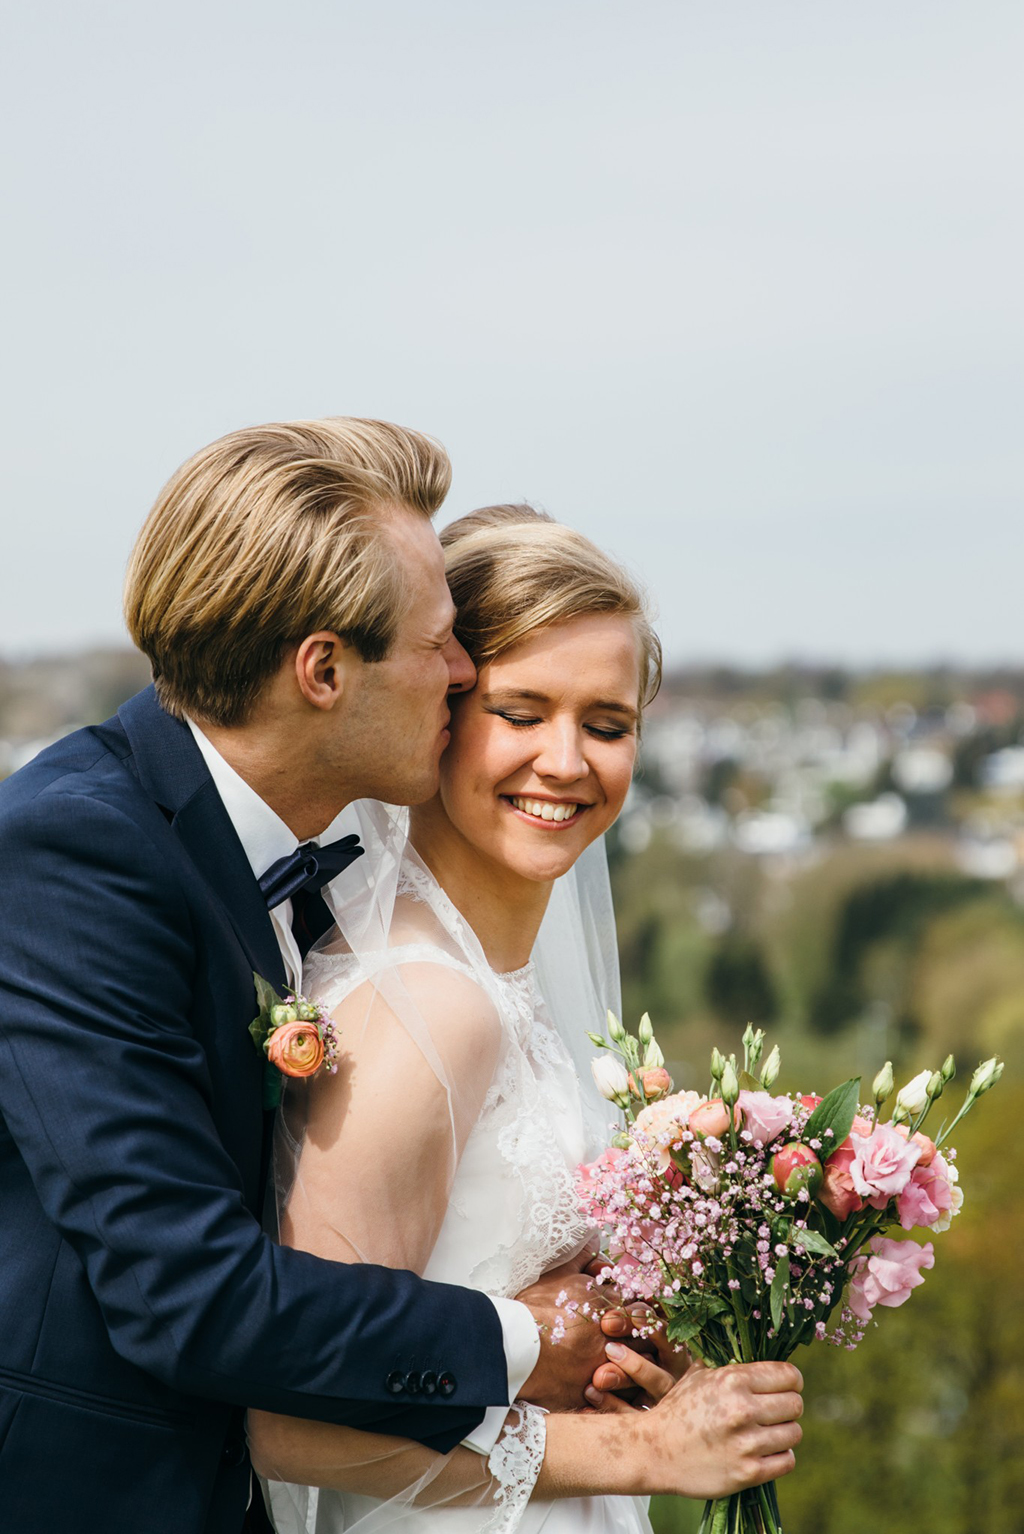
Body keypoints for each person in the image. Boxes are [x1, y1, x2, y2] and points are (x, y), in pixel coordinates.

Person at [0, 422, 634, 1534]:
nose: (459, 672)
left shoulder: (292, 860)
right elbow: (184, 1294)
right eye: (441, 646)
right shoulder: (77, 856)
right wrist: (529, 1340)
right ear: (325, 669)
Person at [248, 507, 804, 1532]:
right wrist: (642, 1450)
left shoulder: (501, 983)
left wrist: (648, 1363)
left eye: (606, 725)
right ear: (440, 710)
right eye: (521, 711)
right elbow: (290, 1412)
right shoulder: (428, 1008)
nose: (566, 762)